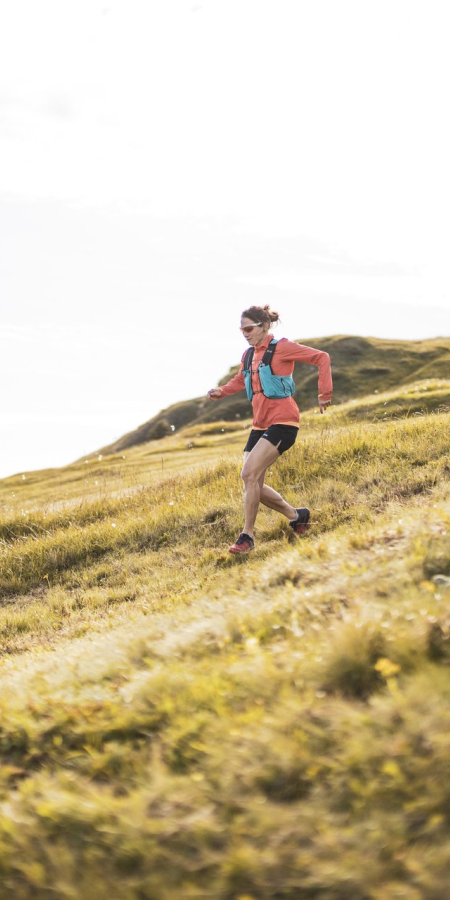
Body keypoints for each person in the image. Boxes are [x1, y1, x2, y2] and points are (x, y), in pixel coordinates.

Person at [207, 305, 332, 554]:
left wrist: (324, 393)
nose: (244, 333)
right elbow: (240, 379)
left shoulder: (282, 347)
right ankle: (297, 515)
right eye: (241, 329)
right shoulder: (248, 355)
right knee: (251, 481)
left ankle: (247, 537)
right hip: (259, 424)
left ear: (264, 326)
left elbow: (322, 357)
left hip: (283, 422)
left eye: (249, 328)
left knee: (248, 475)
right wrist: (222, 391)